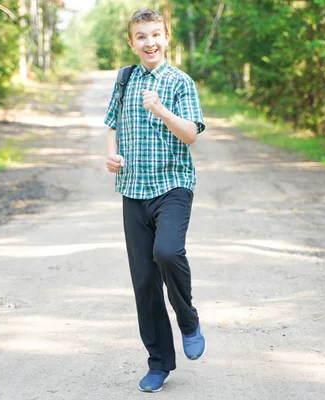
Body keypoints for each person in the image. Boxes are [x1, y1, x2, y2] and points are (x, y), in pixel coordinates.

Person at [103, 8, 206, 394]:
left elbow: (192, 134)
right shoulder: (125, 79)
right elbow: (112, 124)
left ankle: (188, 318)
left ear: (167, 38)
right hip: (132, 189)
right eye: (141, 36)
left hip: (173, 186)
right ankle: (159, 363)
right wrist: (111, 156)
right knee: (144, 283)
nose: (149, 42)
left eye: (156, 35)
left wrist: (161, 110)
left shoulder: (180, 82)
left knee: (167, 253)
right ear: (132, 43)